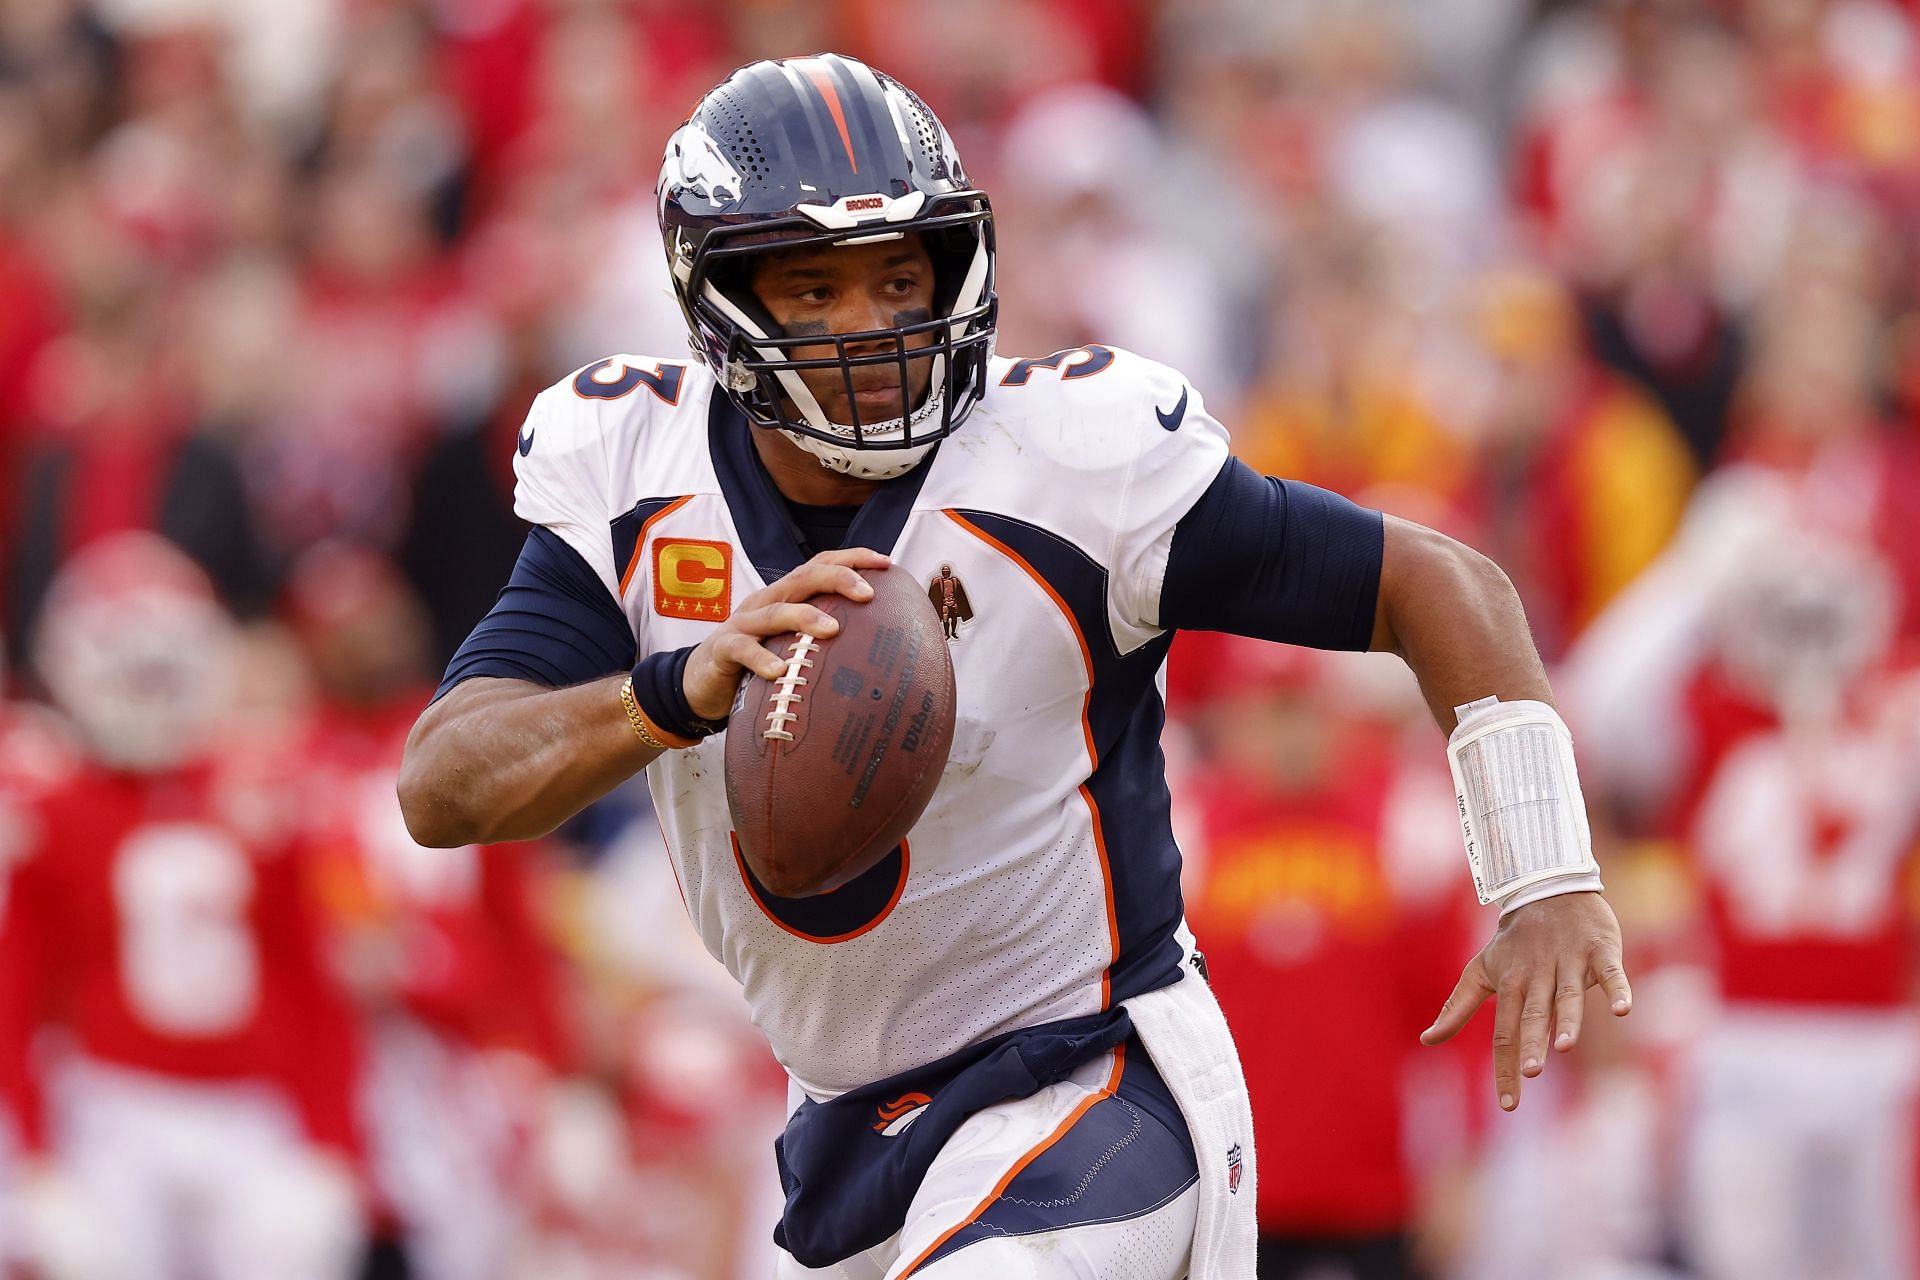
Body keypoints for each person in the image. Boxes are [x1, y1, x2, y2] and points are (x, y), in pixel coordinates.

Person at [399, 53, 1631, 1279]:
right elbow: (444, 786)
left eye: (898, 276)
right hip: (848, 1117)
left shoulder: (1068, 458)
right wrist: (669, 694)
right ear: (716, 296)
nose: (870, 326)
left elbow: (1441, 583)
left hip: (1094, 1074)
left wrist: (1546, 874)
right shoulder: (633, 472)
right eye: (814, 287)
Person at [0, 533, 367, 1280]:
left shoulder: (261, 795)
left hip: (251, 1110)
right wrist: (36, 1165)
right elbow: (19, 1000)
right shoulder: (55, 807)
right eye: (132, 670)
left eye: (167, 670)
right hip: (111, 1108)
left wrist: (335, 1147)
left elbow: (315, 984)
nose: (152, 692)